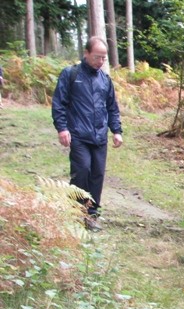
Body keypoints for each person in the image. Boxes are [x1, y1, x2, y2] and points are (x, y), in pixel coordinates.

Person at [52, 37, 123, 231]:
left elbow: (112, 108)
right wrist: (62, 128)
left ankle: (92, 216)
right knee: (82, 171)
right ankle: (75, 210)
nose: (100, 61)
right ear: (86, 53)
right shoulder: (71, 74)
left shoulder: (105, 80)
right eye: (97, 57)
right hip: (78, 135)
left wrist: (116, 131)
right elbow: (59, 103)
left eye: (103, 58)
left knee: (97, 176)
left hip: (99, 137)